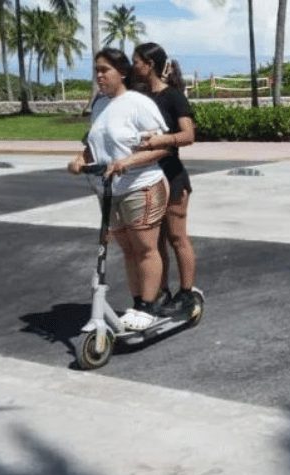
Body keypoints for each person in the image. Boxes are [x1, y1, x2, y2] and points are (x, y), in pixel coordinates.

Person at [67, 48, 172, 331]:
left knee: (145, 248)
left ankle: (149, 306)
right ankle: (138, 303)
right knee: (127, 250)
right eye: (96, 71)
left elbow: (163, 146)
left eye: (105, 70)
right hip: (110, 190)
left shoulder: (138, 103)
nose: (99, 76)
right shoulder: (100, 104)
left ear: (122, 72)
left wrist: (129, 162)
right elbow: (94, 146)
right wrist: (81, 159)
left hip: (141, 185)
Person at [130, 42, 202, 319]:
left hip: (171, 176)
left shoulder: (173, 96)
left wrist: (163, 140)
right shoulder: (139, 98)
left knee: (176, 237)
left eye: (137, 61)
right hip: (146, 177)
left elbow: (189, 135)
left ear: (150, 65)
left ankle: (186, 293)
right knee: (155, 241)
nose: (133, 66)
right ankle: (162, 292)